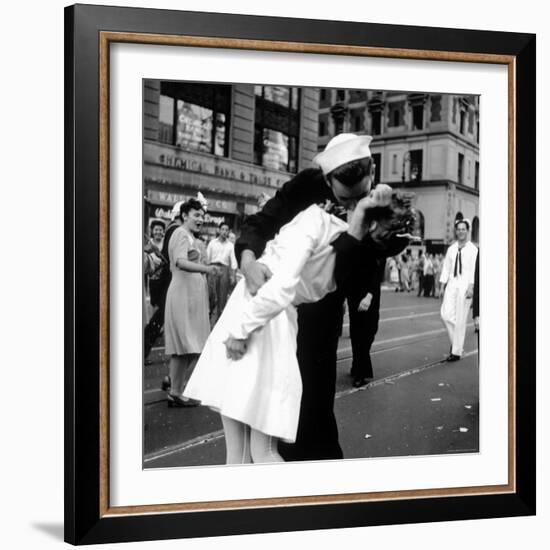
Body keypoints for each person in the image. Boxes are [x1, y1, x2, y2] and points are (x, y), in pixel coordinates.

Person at [184, 192, 415, 463]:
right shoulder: (349, 251)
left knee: (252, 452)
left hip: (260, 317)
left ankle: (282, 502)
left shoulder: (319, 223)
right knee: (252, 451)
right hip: (272, 321)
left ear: (371, 221)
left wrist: (241, 330)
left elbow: (280, 289)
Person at [227, 133, 400, 461]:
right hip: (275, 310)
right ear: (327, 179)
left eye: (357, 195)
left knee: (313, 409)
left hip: (322, 314)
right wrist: (247, 257)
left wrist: (377, 215)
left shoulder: (377, 202)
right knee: (259, 409)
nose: (351, 204)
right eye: (343, 196)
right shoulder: (306, 187)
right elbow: (262, 220)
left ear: (372, 171)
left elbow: (373, 257)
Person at [163, 199, 219, 407]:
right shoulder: (179, 233)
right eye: (196, 215)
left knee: (190, 346)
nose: (200, 219)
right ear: (184, 215)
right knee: (185, 346)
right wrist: (206, 269)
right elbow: (179, 261)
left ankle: (176, 388)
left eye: (202, 216)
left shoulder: (190, 237)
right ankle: (176, 391)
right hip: (182, 295)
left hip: (191, 297)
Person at [143, 201, 184, 360]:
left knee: (162, 318)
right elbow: (168, 258)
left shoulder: (174, 229)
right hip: (169, 281)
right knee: (160, 318)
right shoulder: (175, 230)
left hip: (168, 280)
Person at [439, 219, 478, 361]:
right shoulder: (451, 249)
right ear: (456, 231)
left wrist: (471, 287)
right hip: (452, 284)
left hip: (465, 286)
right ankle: (457, 344)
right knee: (445, 315)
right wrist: (441, 286)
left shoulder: (473, 250)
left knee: (461, 320)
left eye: (463, 229)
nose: (461, 231)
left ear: (467, 231)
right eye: (459, 229)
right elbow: (446, 268)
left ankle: (455, 351)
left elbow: (475, 270)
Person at [206, 222, 238, 325]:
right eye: (222, 229)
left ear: (228, 232)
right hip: (212, 268)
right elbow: (207, 258)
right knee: (210, 295)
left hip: (224, 270)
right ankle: (207, 318)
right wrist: (206, 271)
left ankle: (218, 323)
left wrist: (233, 275)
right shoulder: (212, 243)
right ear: (219, 230)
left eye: (226, 230)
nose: (224, 232)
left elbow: (233, 262)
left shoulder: (230, 245)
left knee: (222, 297)